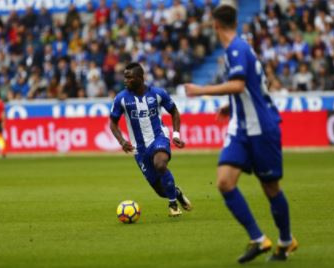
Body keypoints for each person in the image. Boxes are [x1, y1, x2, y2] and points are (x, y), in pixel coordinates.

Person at [185, 5, 297, 263]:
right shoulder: (239, 49)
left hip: (262, 129)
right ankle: (259, 239)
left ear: (215, 25)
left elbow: (238, 84)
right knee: (224, 182)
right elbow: (254, 86)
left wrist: (201, 90)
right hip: (241, 129)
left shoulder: (237, 49)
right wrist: (231, 105)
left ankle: (286, 240)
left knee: (270, 187)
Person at [109, 62, 192, 217]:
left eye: (129, 77)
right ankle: (177, 193)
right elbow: (113, 122)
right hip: (139, 148)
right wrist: (121, 141)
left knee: (160, 164)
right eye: (124, 77)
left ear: (140, 78)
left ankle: (173, 204)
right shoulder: (121, 99)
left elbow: (174, 112)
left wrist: (175, 135)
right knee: (161, 191)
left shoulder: (158, 93)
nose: (125, 80)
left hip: (159, 137)